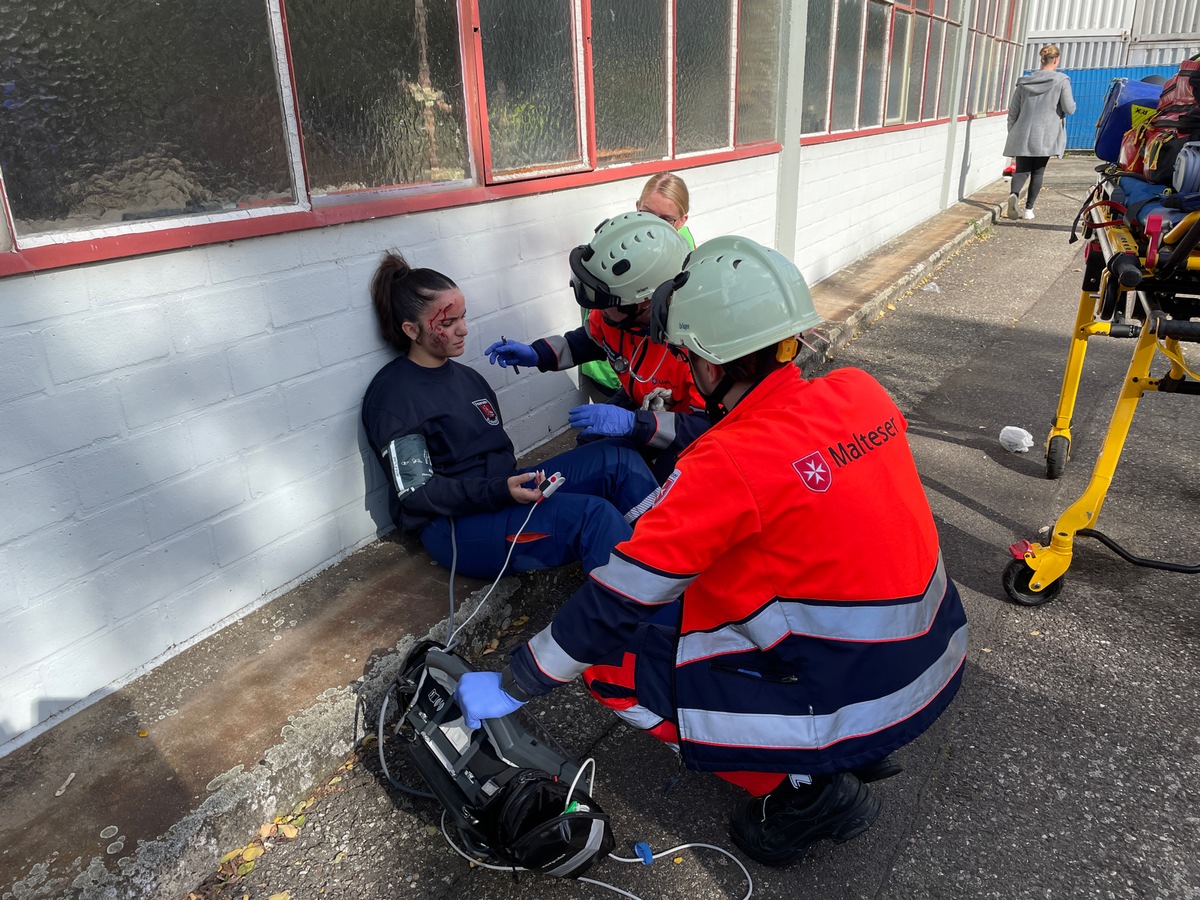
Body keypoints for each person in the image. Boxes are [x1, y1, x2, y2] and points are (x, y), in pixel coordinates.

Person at [456, 236, 968, 867]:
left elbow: (619, 599)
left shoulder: (729, 462)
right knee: (718, 591)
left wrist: (515, 683)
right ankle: (850, 748)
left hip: (859, 689)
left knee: (609, 666)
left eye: (688, 356)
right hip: (930, 656)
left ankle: (805, 790)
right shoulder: (860, 391)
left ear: (712, 363)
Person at [360, 253, 661, 580]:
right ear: (411, 330)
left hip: (500, 494)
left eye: (463, 317)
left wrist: (511, 486)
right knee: (594, 517)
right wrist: (500, 491)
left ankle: (667, 564)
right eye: (448, 323)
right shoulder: (394, 395)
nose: (463, 330)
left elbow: (499, 458)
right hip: (455, 526)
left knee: (617, 459)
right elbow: (419, 493)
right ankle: (642, 616)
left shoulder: (467, 379)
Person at [484, 212, 709, 481]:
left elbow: (705, 427)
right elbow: (587, 341)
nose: (597, 310)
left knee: (660, 489)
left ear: (645, 303)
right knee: (591, 448)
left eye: (606, 302)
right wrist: (537, 354)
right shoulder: (617, 318)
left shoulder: (697, 347)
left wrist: (634, 425)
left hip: (688, 433)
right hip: (643, 405)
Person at [580, 173, 697, 400]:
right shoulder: (620, 242)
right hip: (615, 362)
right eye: (646, 213)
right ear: (637, 207)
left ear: (682, 220)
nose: (653, 225)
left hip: (649, 377)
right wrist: (541, 353)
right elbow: (601, 323)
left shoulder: (682, 263)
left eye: (665, 220)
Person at [1003, 44, 1075, 221]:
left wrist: (1013, 131)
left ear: (1041, 59)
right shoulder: (1061, 81)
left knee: (1021, 170)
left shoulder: (1024, 82)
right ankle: (1029, 210)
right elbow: (1069, 108)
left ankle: (1014, 194)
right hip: (1046, 135)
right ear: (1056, 60)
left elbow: (1014, 110)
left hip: (1022, 132)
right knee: (1038, 172)